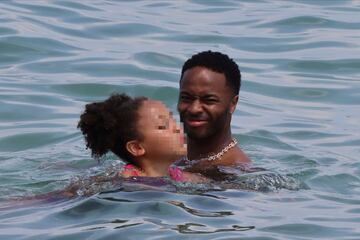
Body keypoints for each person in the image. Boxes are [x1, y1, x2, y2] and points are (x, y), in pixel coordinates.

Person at [77, 93, 188, 180]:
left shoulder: (176, 174)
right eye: (163, 126)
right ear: (137, 148)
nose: (177, 128)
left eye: (173, 120)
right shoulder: (127, 177)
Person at [177, 50, 251, 172]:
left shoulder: (233, 172)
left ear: (233, 104)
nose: (194, 109)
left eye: (209, 100)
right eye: (186, 98)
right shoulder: (163, 151)